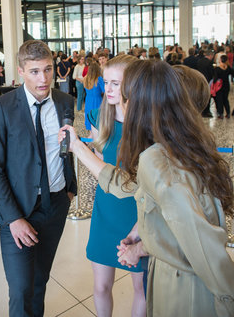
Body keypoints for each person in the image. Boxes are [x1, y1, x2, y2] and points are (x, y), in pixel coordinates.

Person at [60, 60, 234, 317]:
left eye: (125, 93)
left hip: (186, 292)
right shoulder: (187, 145)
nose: (120, 99)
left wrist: (140, 248)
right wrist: (139, 234)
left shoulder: (160, 157)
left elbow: (199, 246)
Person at [0, 40, 76, 317]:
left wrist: (69, 190)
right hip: (19, 209)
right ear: (21, 71)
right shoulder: (2, 107)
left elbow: (66, 148)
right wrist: (13, 217)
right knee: (22, 288)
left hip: (55, 204)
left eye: (48, 69)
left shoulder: (64, 102)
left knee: (40, 281)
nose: (44, 78)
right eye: (35, 71)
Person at [84, 55, 145, 317]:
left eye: (114, 83)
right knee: (100, 286)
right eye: (105, 82)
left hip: (137, 211)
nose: (107, 89)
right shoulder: (99, 117)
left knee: (141, 288)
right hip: (106, 208)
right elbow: (100, 165)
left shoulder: (147, 125)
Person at [83, 60, 104, 135]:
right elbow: (104, 90)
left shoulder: (85, 78)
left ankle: (90, 137)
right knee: (97, 119)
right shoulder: (99, 79)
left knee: (89, 118)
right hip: (97, 101)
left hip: (88, 100)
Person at [212, 55, 233, 119]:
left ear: (220, 60)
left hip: (219, 86)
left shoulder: (217, 69)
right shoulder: (228, 68)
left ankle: (220, 114)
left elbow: (215, 79)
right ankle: (228, 113)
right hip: (226, 86)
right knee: (225, 100)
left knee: (219, 100)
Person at [196, 49, 215, 117]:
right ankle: (206, 111)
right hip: (207, 80)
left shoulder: (199, 61)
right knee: (208, 96)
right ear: (210, 55)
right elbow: (212, 72)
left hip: (200, 80)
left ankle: (201, 110)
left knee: (201, 95)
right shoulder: (209, 62)